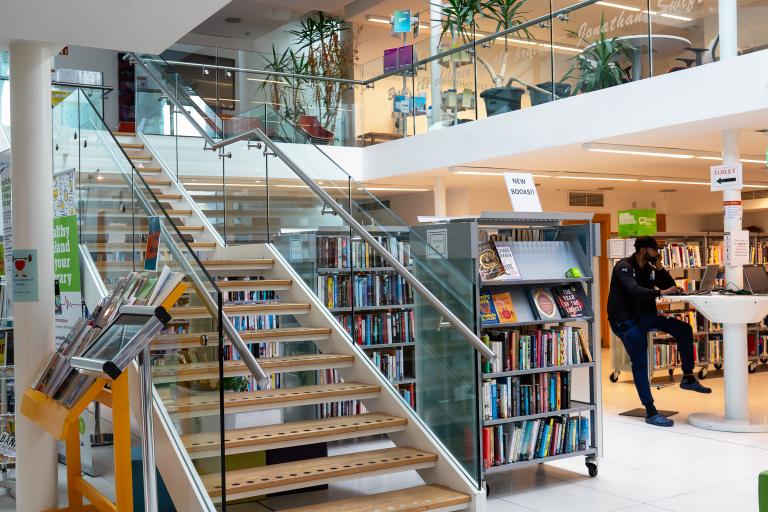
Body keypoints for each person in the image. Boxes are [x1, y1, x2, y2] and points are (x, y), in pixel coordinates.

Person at [608, 236, 712, 427]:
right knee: (640, 361)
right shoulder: (623, 267)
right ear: (642, 250)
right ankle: (650, 411)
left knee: (684, 329)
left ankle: (688, 377)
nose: (658, 253)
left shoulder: (650, 268)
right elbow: (635, 291)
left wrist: (660, 268)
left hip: (645, 316)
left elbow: (667, 285)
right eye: (655, 250)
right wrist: (661, 293)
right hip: (625, 321)